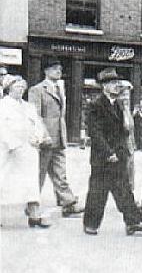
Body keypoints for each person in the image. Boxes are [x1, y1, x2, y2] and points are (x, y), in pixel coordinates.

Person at [83, 67, 142, 236]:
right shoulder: (96, 105)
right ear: (104, 86)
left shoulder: (119, 104)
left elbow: (123, 130)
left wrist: (123, 151)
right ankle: (90, 224)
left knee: (124, 190)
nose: (116, 86)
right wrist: (108, 153)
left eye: (117, 83)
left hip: (119, 155)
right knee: (98, 191)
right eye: (112, 83)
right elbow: (95, 132)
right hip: (102, 157)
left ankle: (133, 222)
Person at [28, 58, 84, 217]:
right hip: (45, 139)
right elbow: (35, 116)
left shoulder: (60, 88)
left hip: (59, 136)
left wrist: (62, 134)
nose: (58, 71)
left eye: (59, 69)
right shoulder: (37, 90)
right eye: (54, 69)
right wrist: (42, 136)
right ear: (45, 71)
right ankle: (32, 207)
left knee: (60, 172)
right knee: (39, 173)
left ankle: (68, 203)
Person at [0, 76, 51, 228]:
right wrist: (13, 145)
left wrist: (38, 138)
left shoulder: (29, 107)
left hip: (29, 150)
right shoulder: (3, 106)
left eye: (22, 87)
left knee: (31, 183)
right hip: (9, 151)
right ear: (9, 88)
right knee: (4, 182)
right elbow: (2, 128)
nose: (20, 90)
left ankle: (34, 215)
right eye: (17, 87)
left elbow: (37, 124)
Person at [118, 82, 136, 192]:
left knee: (130, 171)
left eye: (127, 95)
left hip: (130, 146)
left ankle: (131, 197)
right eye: (123, 94)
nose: (126, 97)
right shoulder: (117, 109)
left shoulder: (127, 109)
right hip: (121, 147)